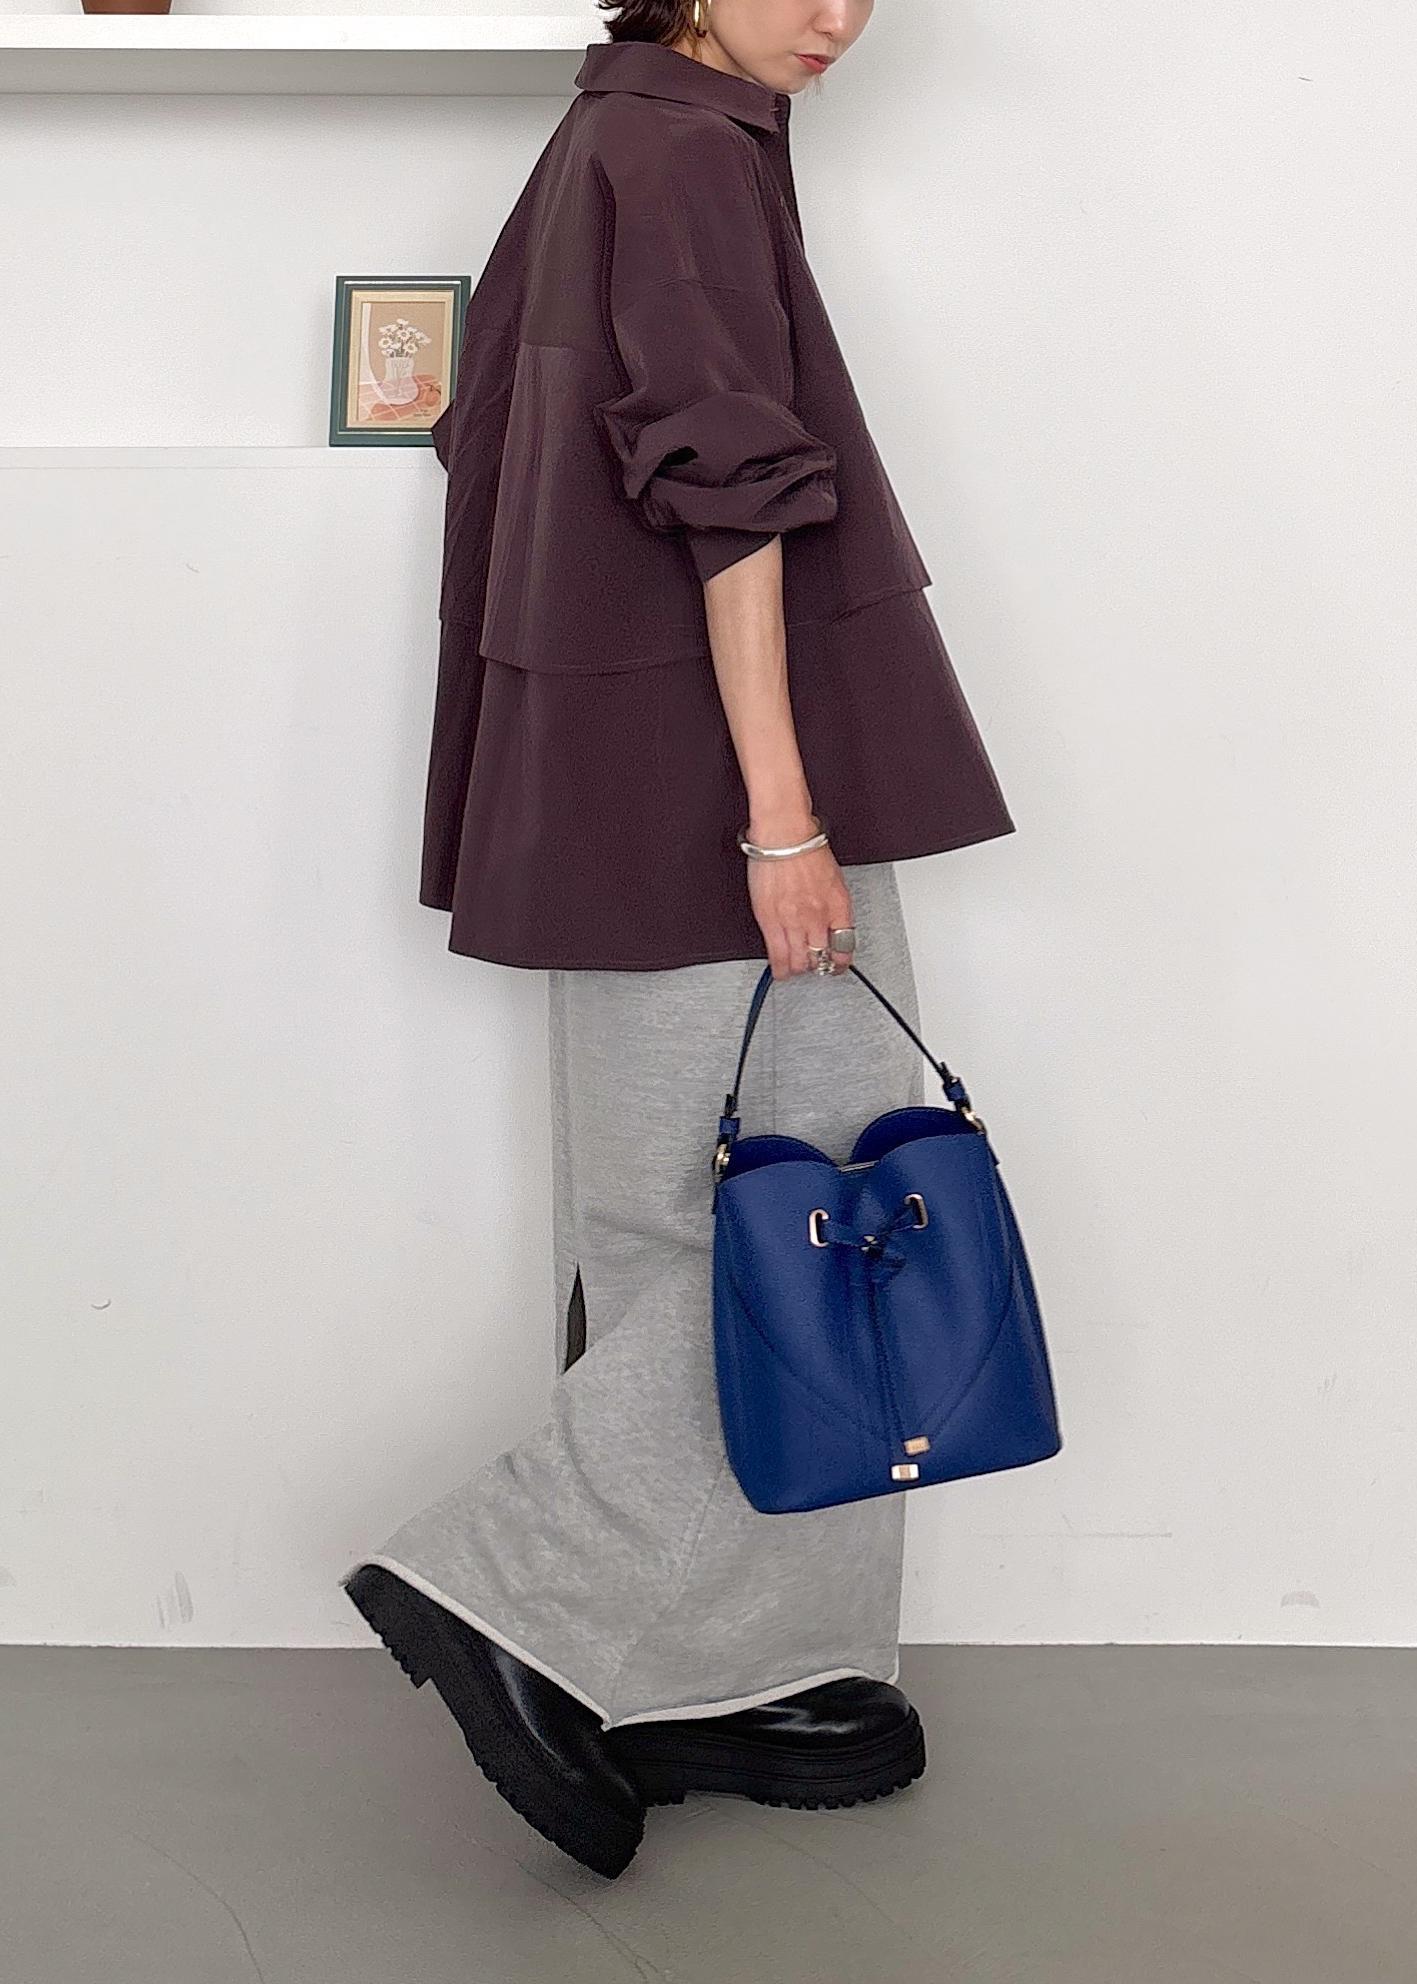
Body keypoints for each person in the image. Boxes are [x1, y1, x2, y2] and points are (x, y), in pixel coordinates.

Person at [341, 0, 1016, 1881]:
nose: (834, 14)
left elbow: (492, 435)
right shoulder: (683, 152)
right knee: (831, 1206)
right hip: (724, 789)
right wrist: (781, 816)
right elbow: (728, 495)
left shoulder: (607, 140)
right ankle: (508, 1585)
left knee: (673, 1225)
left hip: (609, 779)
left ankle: (729, 1669)